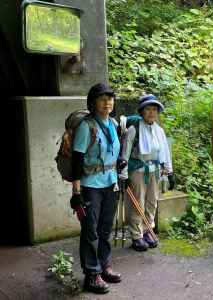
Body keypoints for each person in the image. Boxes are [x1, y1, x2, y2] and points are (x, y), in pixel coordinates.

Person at [70, 83, 122, 294]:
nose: (107, 102)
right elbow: (77, 160)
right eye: (102, 98)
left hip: (111, 182)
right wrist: (76, 193)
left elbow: (114, 153)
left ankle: (104, 266)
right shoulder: (86, 126)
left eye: (110, 98)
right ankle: (92, 274)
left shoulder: (114, 124)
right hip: (90, 186)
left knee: (105, 228)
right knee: (90, 231)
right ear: (93, 102)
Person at [119, 94, 175, 251]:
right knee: (138, 202)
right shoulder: (133, 130)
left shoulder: (159, 130)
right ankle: (136, 235)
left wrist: (170, 173)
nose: (151, 112)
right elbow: (125, 153)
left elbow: (165, 152)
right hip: (137, 170)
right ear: (142, 112)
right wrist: (123, 175)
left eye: (154, 109)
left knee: (152, 201)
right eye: (148, 109)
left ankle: (147, 230)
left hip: (155, 171)